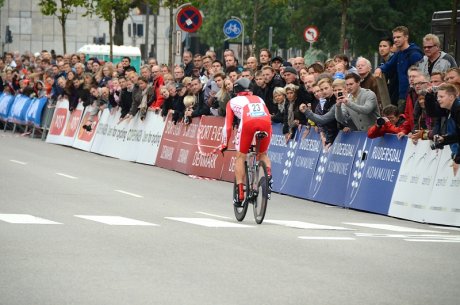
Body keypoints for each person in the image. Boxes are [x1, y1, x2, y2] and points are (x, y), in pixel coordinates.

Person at [219, 77, 272, 207]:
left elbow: (228, 127)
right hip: (266, 123)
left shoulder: (232, 101)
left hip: (248, 124)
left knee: (241, 156)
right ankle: (269, 177)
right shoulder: (260, 99)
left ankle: (240, 194)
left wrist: (224, 144)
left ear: (236, 90)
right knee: (263, 154)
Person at [374, 26, 424, 113]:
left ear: (406, 37)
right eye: (394, 37)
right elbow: (388, 65)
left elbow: (421, 75)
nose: (396, 40)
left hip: (414, 95)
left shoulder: (414, 54)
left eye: (398, 37)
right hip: (402, 96)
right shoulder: (399, 53)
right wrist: (379, 69)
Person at [435, 83, 460, 175]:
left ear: (451, 97)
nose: (438, 99)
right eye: (438, 97)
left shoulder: (458, 109)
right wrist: (445, 139)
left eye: (441, 96)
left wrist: (458, 160)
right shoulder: (453, 109)